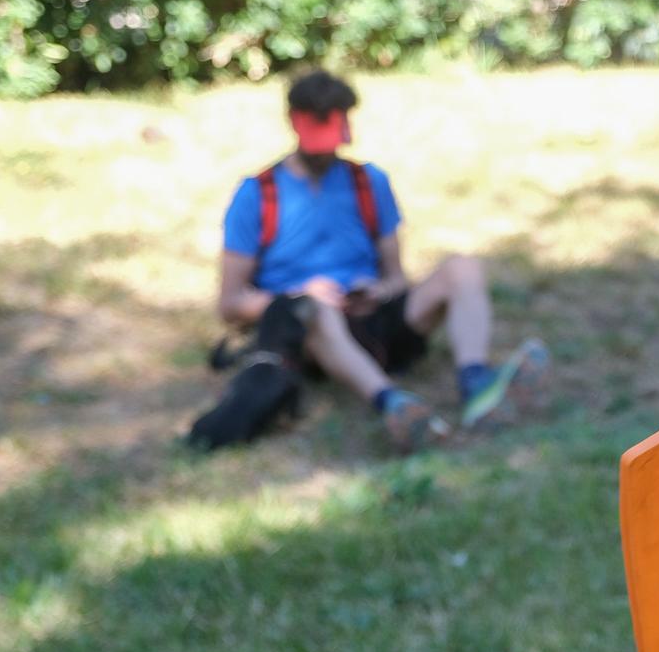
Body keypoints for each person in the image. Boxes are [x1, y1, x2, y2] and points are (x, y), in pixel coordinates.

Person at [217, 70, 547, 453]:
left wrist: (378, 290)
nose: (327, 149)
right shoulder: (257, 194)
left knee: (463, 268)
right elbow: (230, 305)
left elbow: (396, 278)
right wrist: (300, 295)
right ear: (295, 122)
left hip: (372, 317)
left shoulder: (369, 182)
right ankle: (393, 404)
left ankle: (477, 385)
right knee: (313, 309)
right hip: (306, 328)